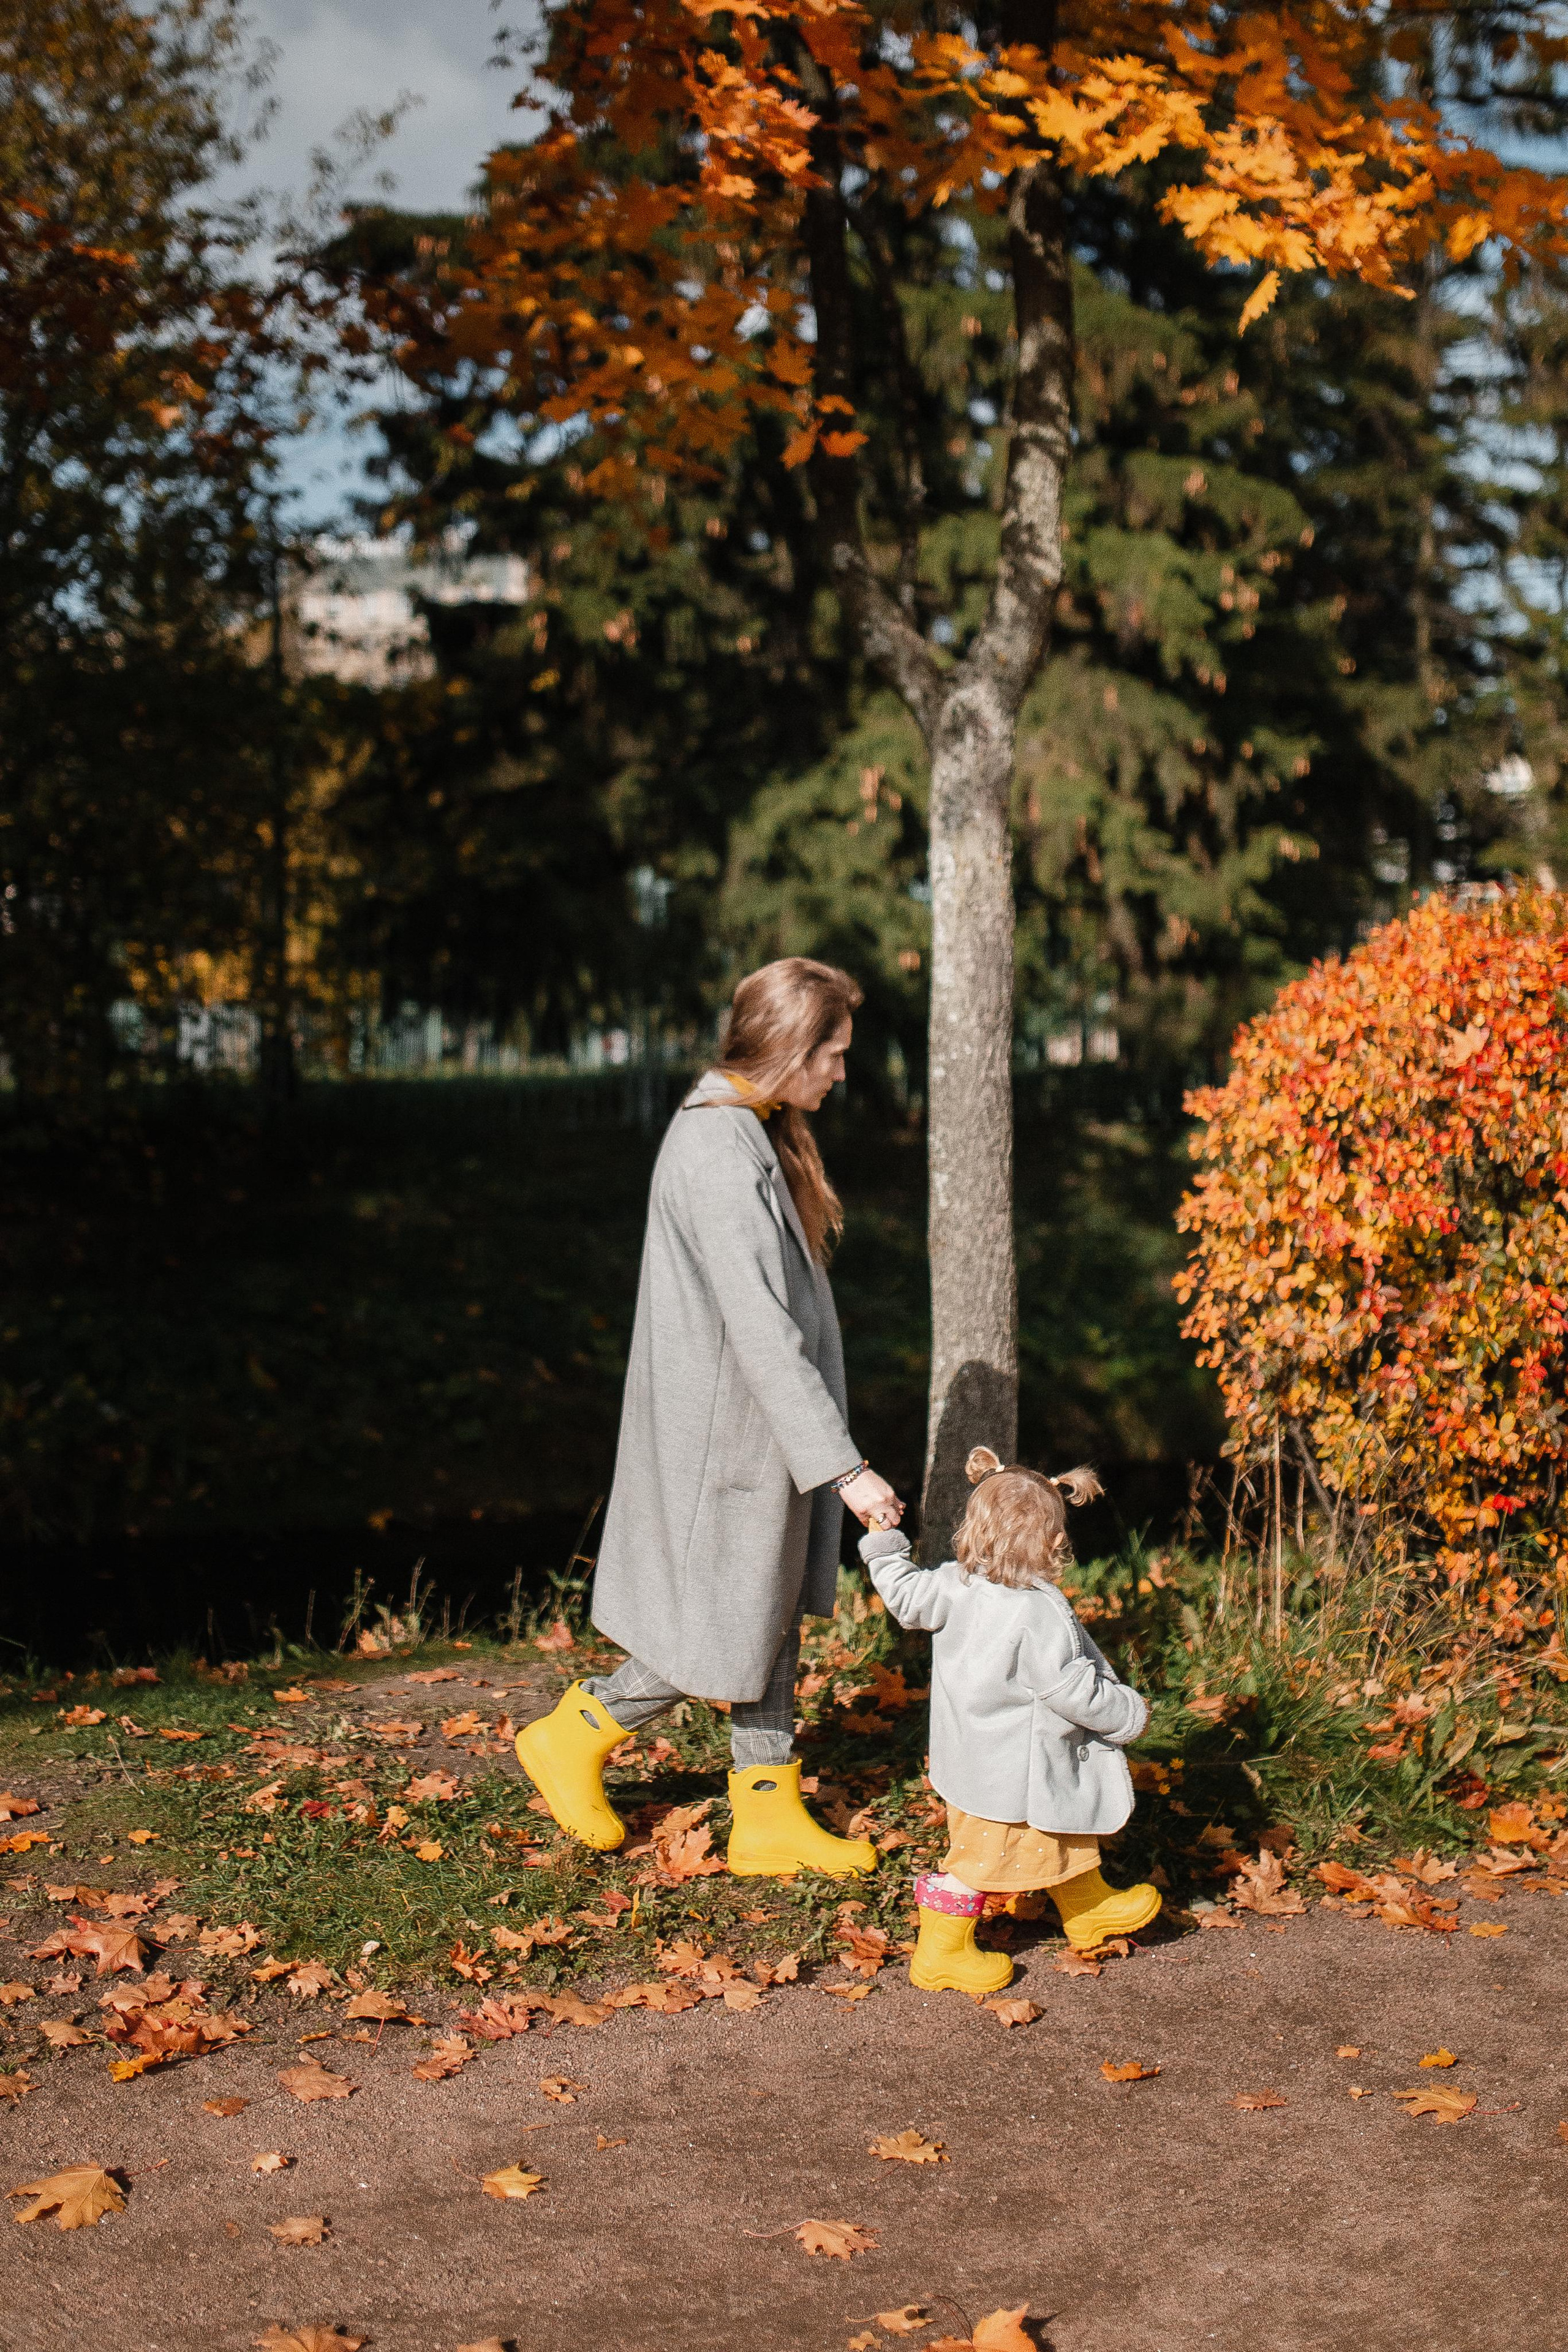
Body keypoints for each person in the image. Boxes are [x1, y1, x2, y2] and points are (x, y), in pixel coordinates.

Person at [516, 957, 903, 1877]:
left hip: (754, 1433)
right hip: (727, 1436)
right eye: (835, 1054)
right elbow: (764, 1334)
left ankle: (765, 1809)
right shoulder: (717, 1151)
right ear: (787, 1046)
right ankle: (574, 1735)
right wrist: (847, 1471)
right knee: (725, 1626)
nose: (843, 1073)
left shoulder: (749, 1129)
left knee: (764, 1614)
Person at [859, 1445, 1161, 1994]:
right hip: (1014, 1771)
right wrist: (1127, 1714)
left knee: (1055, 1833)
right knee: (981, 1859)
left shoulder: (955, 1583)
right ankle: (940, 1952)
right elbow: (1068, 1688)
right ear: (1054, 1542)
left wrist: (883, 1542)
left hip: (970, 1758)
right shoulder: (1034, 1610)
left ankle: (1088, 1909)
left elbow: (903, 1594)